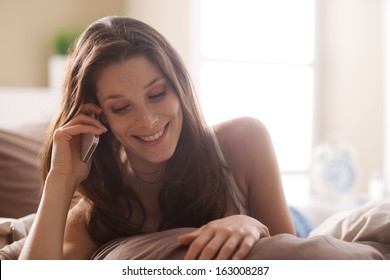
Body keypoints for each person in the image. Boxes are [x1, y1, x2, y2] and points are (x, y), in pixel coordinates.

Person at [19, 16, 295, 260]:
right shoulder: (99, 213)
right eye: (121, 108)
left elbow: (297, 255)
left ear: (179, 87)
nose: (148, 120)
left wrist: (251, 225)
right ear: (98, 116)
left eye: (157, 94)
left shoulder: (244, 139)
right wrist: (62, 177)